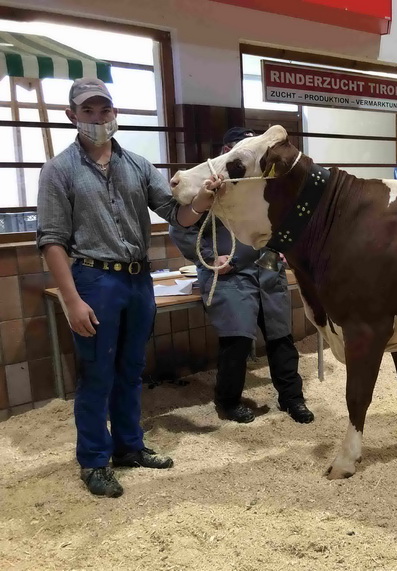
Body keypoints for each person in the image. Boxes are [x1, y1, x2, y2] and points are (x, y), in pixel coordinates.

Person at [37, 78, 217, 498]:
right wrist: (72, 299)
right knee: (97, 373)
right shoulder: (58, 170)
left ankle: (130, 447)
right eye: (88, 112)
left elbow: (177, 214)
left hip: (138, 278)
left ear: (115, 114)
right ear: (72, 116)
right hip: (94, 278)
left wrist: (203, 200)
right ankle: (94, 460)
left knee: (132, 369)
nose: (98, 119)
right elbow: (51, 241)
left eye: (105, 111)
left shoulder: (138, 165)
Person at [168, 127, 314, 425]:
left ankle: (292, 398)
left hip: (266, 266)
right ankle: (228, 401)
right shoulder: (206, 186)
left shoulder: (265, 186)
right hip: (229, 273)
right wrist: (209, 258)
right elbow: (179, 227)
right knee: (237, 340)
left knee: (281, 336)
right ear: (225, 152)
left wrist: (285, 247)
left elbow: (290, 219)